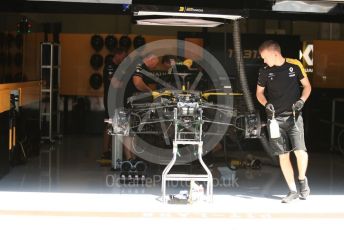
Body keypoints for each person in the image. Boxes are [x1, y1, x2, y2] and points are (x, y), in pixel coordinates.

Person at [256, 40, 312, 203]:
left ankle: (302, 180)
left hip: (294, 117)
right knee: (283, 155)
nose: (264, 61)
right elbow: (259, 93)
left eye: (265, 57)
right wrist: (266, 104)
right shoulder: (264, 71)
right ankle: (292, 190)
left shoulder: (295, 65)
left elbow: (307, 86)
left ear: (274, 53)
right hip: (274, 120)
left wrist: (302, 100)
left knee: (300, 152)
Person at [122, 53, 160, 161]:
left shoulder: (139, 66)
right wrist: (150, 91)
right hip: (128, 101)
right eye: (155, 64)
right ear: (151, 59)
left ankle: (132, 157)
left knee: (132, 130)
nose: (155, 67)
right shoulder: (138, 65)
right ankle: (129, 158)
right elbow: (137, 83)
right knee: (129, 130)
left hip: (131, 101)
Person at [101, 48, 127, 160]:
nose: (124, 59)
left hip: (118, 100)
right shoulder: (109, 66)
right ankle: (106, 150)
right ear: (118, 54)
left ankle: (116, 149)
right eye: (123, 56)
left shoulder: (120, 67)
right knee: (110, 123)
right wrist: (127, 84)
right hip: (110, 99)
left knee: (119, 124)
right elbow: (115, 84)